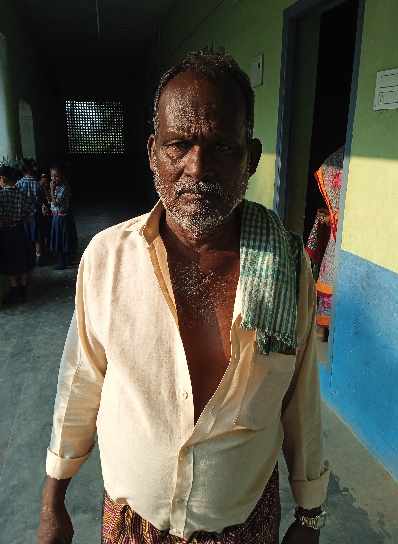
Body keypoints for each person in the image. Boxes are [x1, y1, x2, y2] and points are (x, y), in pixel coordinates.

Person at [38, 51, 329, 544]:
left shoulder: (284, 267)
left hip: (245, 528)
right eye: (179, 145)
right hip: (131, 525)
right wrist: (52, 502)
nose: (198, 167)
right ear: (153, 152)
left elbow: (300, 399)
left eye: (222, 147)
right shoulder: (107, 259)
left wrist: (310, 516)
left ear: (251, 158)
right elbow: (80, 381)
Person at [306, 146, 344, 342]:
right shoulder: (341, 161)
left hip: (338, 237)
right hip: (338, 235)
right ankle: (323, 327)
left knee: (330, 272)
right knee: (330, 272)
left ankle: (323, 327)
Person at [0, 165, 36, 304]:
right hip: (20, 230)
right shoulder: (21, 194)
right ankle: (23, 290)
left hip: (6, 232)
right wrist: (21, 218)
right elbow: (31, 211)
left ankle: (15, 290)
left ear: (3, 178)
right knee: (22, 259)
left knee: (10, 260)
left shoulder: (1, 195)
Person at [49, 164, 78, 270]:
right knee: (59, 239)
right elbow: (51, 201)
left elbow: (56, 203)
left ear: (62, 175)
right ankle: (64, 261)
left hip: (62, 218)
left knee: (62, 240)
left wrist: (51, 189)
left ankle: (64, 262)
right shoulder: (57, 186)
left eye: (56, 176)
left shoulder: (64, 187)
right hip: (56, 216)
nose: (53, 178)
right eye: (52, 176)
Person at [16, 158, 43, 265]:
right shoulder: (37, 183)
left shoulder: (19, 183)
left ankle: (29, 256)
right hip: (35, 214)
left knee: (26, 235)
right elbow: (41, 199)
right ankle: (38, 255)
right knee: (37, 236)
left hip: (24, 214)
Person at [38, 172, 52, 260]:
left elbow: (50, 200)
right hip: (41, 215)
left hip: (49, 213)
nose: (44, 181)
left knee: (48, 233)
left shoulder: (49, 188)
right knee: (42, 234)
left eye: (46, 179)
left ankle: (48, 250)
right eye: (43, 179)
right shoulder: (38, 187)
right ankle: (44, 252)